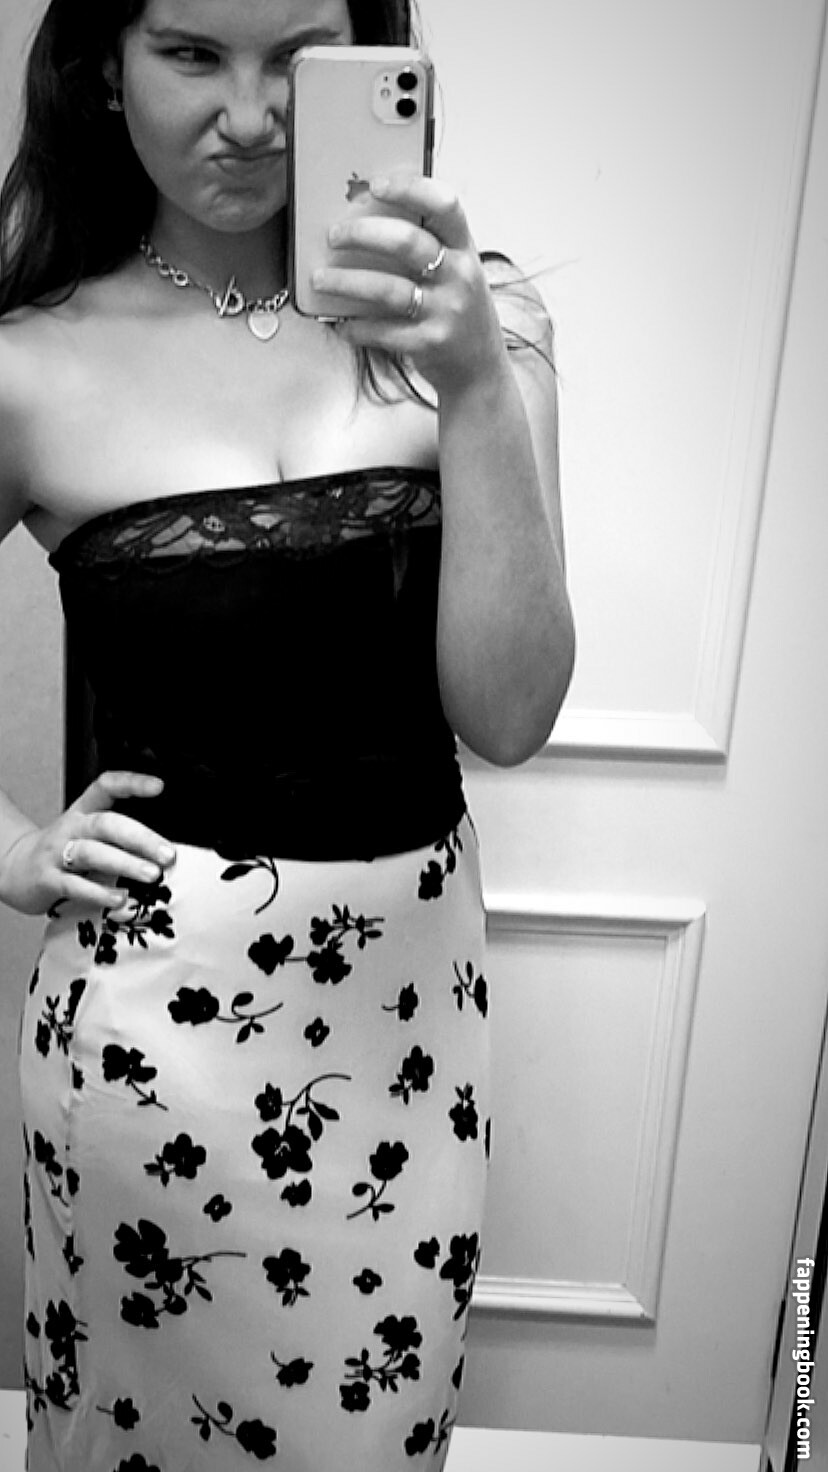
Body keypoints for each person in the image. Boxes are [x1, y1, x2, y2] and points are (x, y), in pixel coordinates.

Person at [0, 0, 575, 1466]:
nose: (251, 117)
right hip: (151, 1045)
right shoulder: (30, 362)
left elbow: (510, 715)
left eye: (299, 57)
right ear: (103, 67)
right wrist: (7, 848)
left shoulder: (481, 327)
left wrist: (474, 387)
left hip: (407, 1031)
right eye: (192, 52)